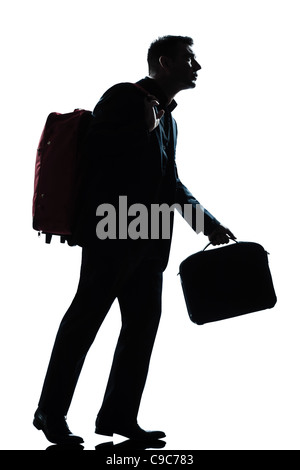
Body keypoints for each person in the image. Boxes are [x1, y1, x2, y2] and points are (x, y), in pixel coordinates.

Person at [33, 35, 235, 445]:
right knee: (83, 324)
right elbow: (98, 155)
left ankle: (121, 417)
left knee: (140, 331)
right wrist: (143, 131)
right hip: (113, 231)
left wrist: (208, 224)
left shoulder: (170, 120)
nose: (197, 67)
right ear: (164, 62)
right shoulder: (125, 96)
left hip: (151, 238)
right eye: (189, 59)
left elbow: (170, 182)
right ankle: (49, 413)